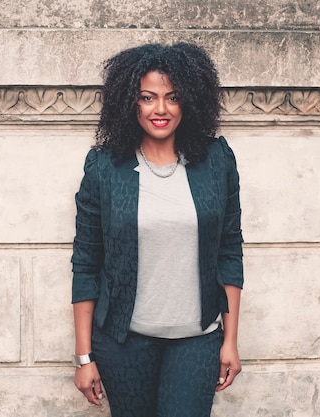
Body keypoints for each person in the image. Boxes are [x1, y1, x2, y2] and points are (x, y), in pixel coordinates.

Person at [71, 42, 244, 417]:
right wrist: (84, 356)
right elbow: (86, 263)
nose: (160, 109)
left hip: (197, 340)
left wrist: (230, 340)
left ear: (191, 101)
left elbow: (229, 253)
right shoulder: (104, 169)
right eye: (147, 97)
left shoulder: (216, 162)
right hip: (123, 343)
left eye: (173, 97)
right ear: (129, 102)